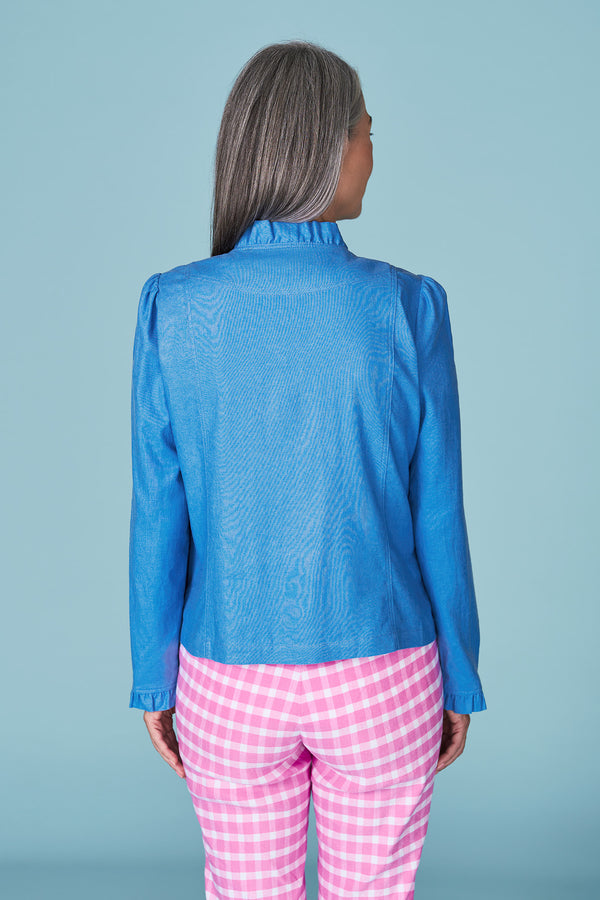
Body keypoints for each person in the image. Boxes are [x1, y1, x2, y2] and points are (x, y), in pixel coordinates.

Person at [128, 38, 487, 900]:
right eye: (367, 131)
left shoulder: (174, 305)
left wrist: (152, 673)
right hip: (385, 670)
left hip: (226, 676)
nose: (373, 153)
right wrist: (462, 675)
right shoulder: (409, 305)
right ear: (326, 145)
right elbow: (438, 509)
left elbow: (158, 510)